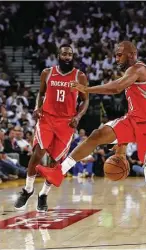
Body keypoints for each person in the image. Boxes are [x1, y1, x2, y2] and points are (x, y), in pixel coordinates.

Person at [36, 41, 146, 227]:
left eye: (119, 55)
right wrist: (122, 147)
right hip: (132, 120)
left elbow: (116, 88)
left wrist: (87, 89)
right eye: (115, 55)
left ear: (132, 54)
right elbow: (130, 103)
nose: (116, 59)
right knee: (97, 135)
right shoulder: (130, 73)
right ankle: (59, 171)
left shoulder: (139, 69)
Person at [14, 44, 89, 212]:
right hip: (47, 119)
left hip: (66, 123)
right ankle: (27, 189)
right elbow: (41, 93)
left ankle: (43, 195)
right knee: (38, 152)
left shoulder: (79, 76)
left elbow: (85, 99)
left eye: (70, 54)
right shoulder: (47, 73)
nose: (67, 57)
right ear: (59, 55)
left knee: (55, 163)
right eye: (64, 54)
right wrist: (37, 107)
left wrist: (78, 116)